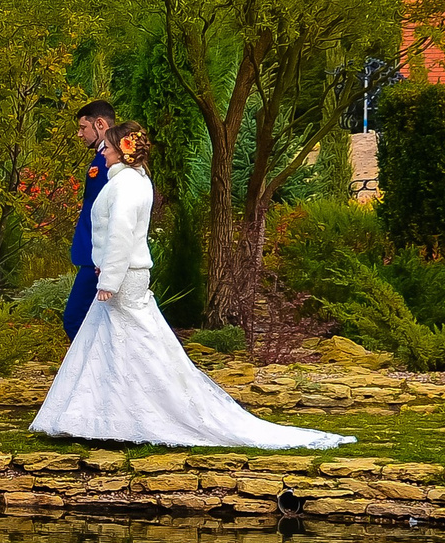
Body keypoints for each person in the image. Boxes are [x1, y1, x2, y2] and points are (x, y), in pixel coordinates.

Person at [31, 121, 353, 450]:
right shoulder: (134, 180)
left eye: (110, 146)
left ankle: (125, 415)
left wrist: (110, 278)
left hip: (124, 277)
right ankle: (101, 416)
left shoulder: (124, 185)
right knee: (114, 344)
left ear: (123, 151)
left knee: (132, 344)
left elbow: (120, 235)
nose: (106, 151)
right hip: (124, 274)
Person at [63, 100, 115, 340]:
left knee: (75, 319)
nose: (79, 133)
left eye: (83, 127)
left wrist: (105, 256)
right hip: (93, 253)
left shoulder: (109, 163)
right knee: (94, 323)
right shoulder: (101, 159)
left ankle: (90, 374)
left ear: (100, 123)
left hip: (96, 255)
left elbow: (110, 212)